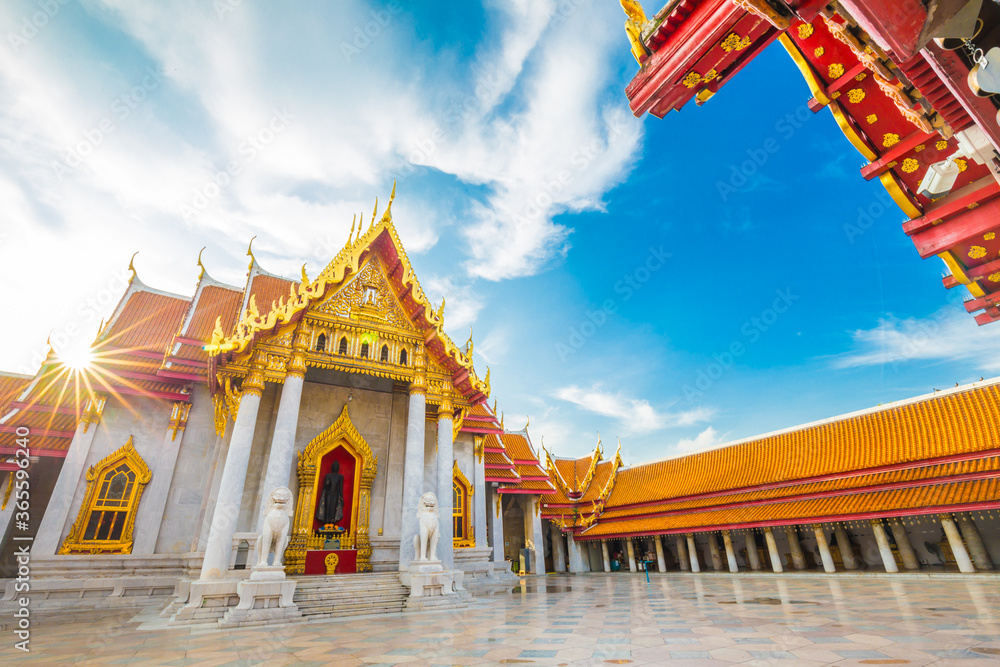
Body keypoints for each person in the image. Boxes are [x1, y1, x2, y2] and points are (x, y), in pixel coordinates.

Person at [316, 460, 345, 525]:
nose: (335, 467)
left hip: (335, 495)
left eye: (337, 466)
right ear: (332, 467)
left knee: (333, 508)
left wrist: (341, 498)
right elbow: (324, 487)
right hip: (328, 494)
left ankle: (332, 522)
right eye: (334, 466)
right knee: (327, 507)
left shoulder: (340, 476)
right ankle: (326, 522)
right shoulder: (328, 475)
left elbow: (340, 488)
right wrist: (327, 484)